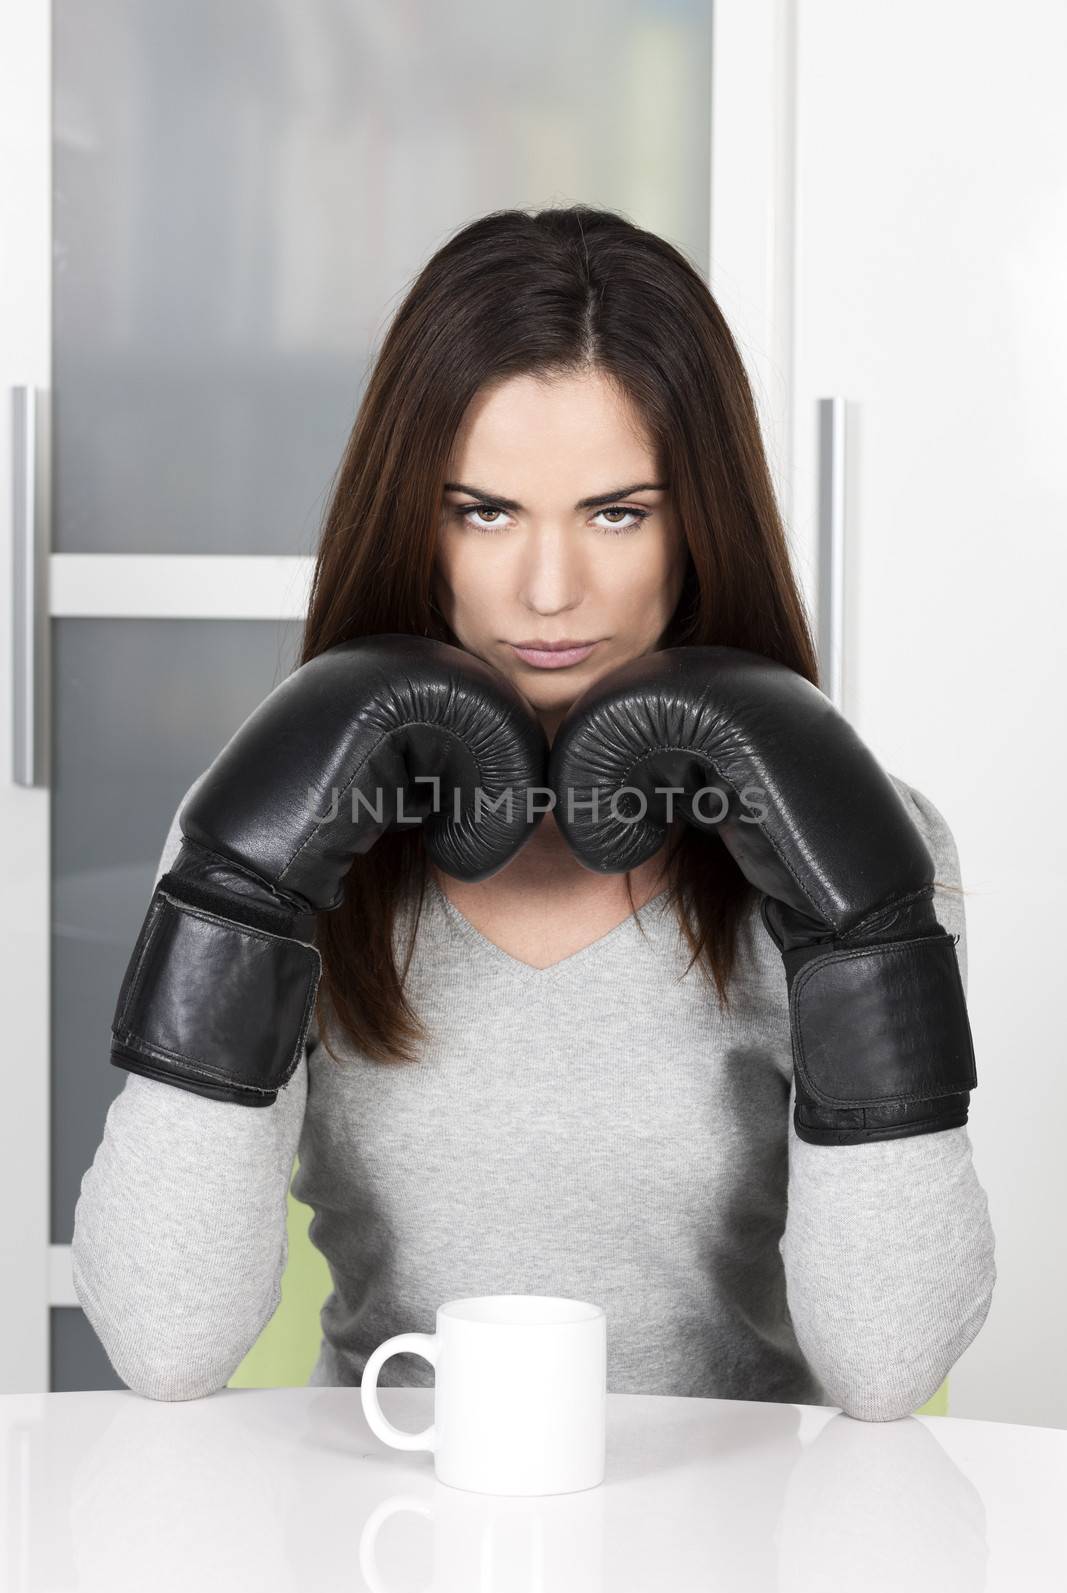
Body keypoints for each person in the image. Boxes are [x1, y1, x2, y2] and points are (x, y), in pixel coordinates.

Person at [72, 204, 996, 1417]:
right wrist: (241, 884)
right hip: (380, 1528)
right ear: (414, 519)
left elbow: (887, 1368)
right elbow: (163, 1340)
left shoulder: (870, 838)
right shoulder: (273, 821)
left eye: (618, 511)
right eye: (484, 510)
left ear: (696, 524)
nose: (549, 590)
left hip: (734, 1541)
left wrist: (863, 932)